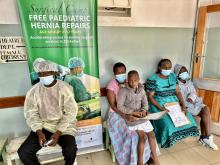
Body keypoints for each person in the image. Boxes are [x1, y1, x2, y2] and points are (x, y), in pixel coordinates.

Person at [18, 60, 78, 165]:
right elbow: (31, 113)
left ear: (54, 73)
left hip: (65, 127)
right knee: (24, 152)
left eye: (46, 73)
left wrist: (58, 132)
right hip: (44, 126)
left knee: (70, 150)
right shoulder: (33, 91)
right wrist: (39, 131)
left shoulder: (65, 88)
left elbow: (70, 112)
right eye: (40, 74)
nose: (43, 76)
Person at [146, 59, 199, 148]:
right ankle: (167, 140)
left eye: (169, 67)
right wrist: (160, 108)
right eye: (165, 67)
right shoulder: (153, 79)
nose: (167, 69)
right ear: (160, 67)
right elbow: (150, 97)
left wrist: (183, 106)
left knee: (188, 120)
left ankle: (177, 137)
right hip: (158, 104)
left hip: (173, 104)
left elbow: (178, 92)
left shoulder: (173, 76)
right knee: (168, 124)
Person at [106, 62, 152, 165]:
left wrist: (141, 111)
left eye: (123, 72)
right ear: (114, 73)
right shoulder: (111, 85)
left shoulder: (130, 82)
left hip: (132, 112)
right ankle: (130, 160)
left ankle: (146, 157)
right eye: (118, 73)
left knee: (147, 131)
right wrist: (125, 116)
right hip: (116, 114)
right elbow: (114, 106)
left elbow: (139, 98)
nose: (121, 74)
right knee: (132, 136)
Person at [117, 70, 160, 165]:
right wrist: (133, 112)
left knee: (152, 135)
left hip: (142, 116)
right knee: (143, 137)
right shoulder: (123, 91)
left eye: (135, 80)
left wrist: (144, 111)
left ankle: (155, 159)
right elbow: (120, 106)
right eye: (131, 80)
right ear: (127, 80)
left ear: (139, 80)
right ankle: (139, 162)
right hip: (132, 117)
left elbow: (145, 103)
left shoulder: (141, 89)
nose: (133, 82)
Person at [174, 64, 219, 150]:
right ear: (177, 74)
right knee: (204, 112)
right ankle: (206, 138)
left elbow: (193, 92)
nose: (184, 73)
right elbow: (178, 97)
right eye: (182, 72)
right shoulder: (176, 84)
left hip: (193, 102)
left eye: (185, 71)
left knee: (206, 109)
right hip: (184, 106)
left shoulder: (189, 82)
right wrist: (185, 103)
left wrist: (191, 98)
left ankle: (206, 137)